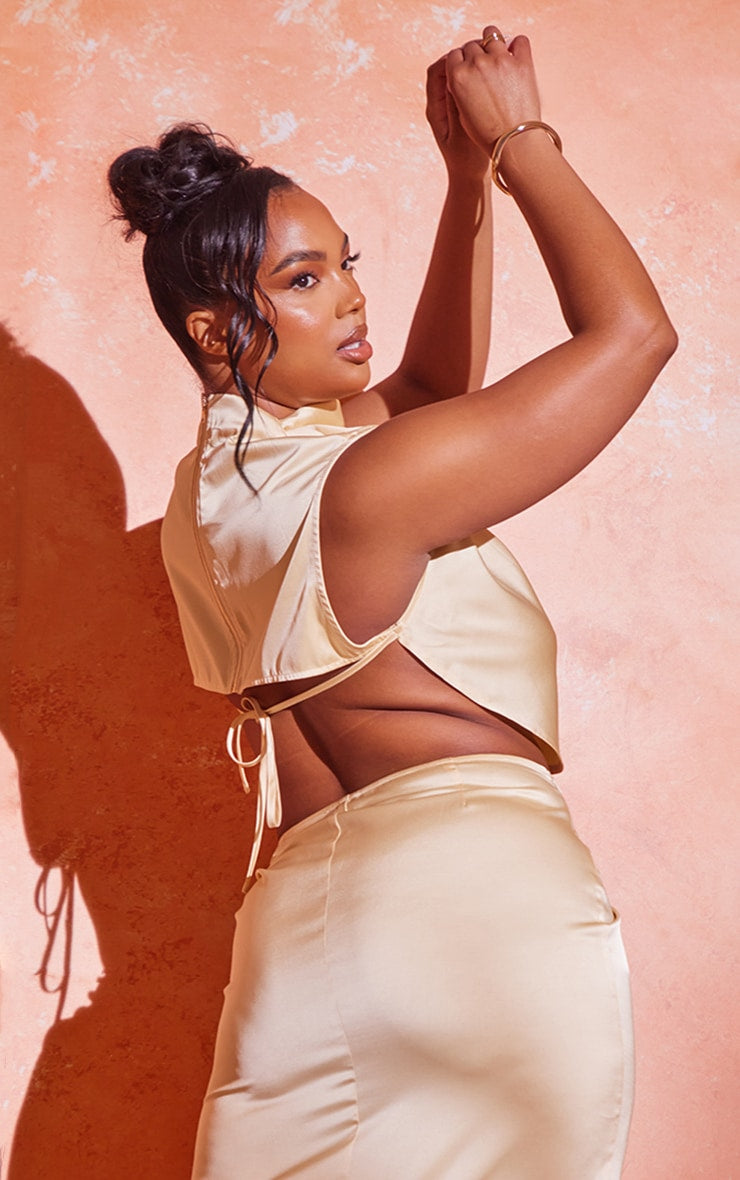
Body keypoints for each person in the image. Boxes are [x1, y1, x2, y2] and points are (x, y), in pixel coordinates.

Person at [109, 24, 676, 1180]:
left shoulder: (208, 502)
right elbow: (632, 335)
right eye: (303, 280)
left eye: (345, 262)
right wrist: (518, 141)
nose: (350, 296)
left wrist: (461, 189)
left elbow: (421, 392)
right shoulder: (372, 487)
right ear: (215, 332)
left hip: (303, 929)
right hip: (474, 908)